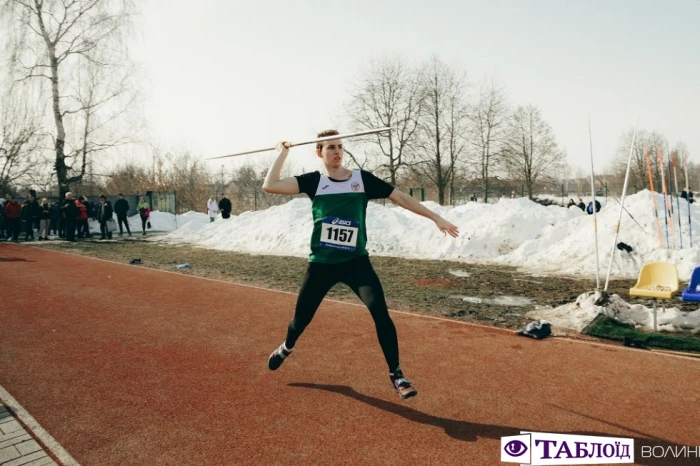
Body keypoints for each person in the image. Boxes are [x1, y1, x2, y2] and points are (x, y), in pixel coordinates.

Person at [262, 129, 459, 400]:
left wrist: (435, 216)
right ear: (319, 152)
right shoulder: (313, 182)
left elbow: (400, 197)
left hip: (356, 263)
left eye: (340, 146)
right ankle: (287, 346)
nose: (337, 152)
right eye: (330, 147)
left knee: (380, 313)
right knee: (300, 320)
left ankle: (397, 374)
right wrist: (282, 155)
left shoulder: (361, 180)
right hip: (321, 264)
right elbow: (269, 186)